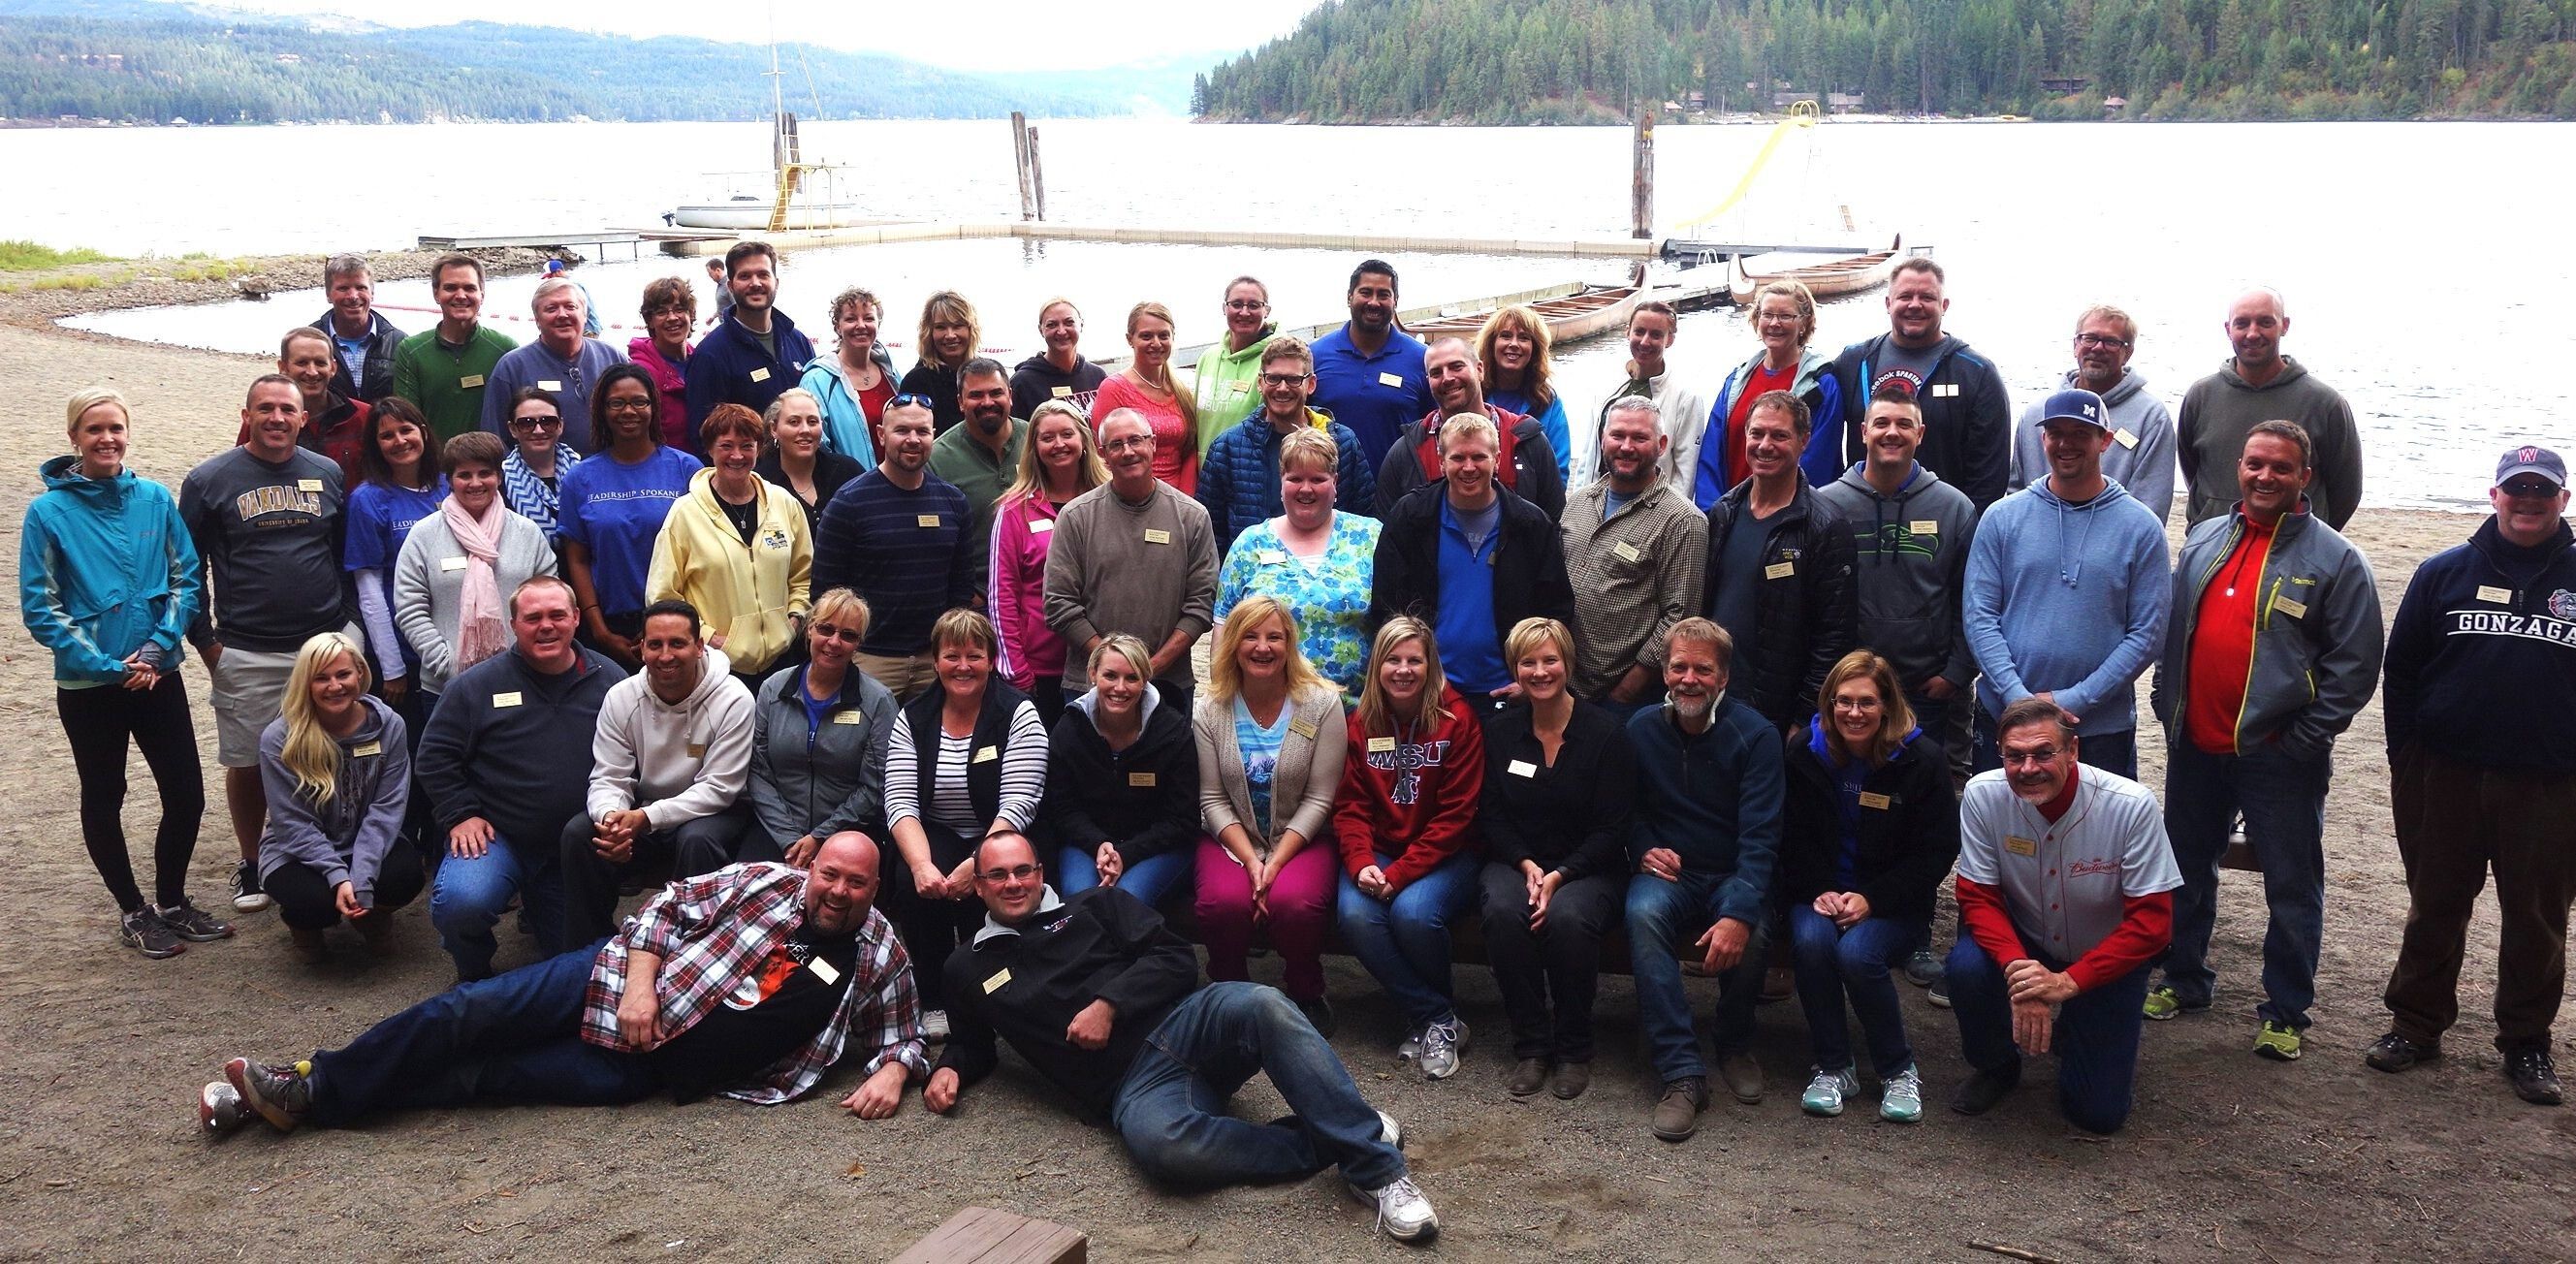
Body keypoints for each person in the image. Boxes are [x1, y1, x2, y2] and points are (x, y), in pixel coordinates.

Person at [198, 832, 930, 1134]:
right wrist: (642, 987)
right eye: (829, 874)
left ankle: (297, 1101)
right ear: (813, 869)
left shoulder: (879, 953)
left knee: (481, 1079)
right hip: (607, 982)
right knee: (466, 1015)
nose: (836, 890)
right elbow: (663, 910)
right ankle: (307, 1082)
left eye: (855, 883)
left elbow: (904, 1033)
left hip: (640, 1071)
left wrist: (896, 1072)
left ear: (874, 889)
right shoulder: (766, 882)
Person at [927, 832, 1437, 1244]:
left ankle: (1377, 1170)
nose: (1013, 883)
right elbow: (972, 1044)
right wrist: (951, 1067)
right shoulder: (965, 967)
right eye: (997, 875)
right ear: (978, 886)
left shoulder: (1096, 907)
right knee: (1166, 1150)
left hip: (1189, 1024)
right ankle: (1337, 1135)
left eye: (1024, 870)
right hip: (1133, 1087)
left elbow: (1175, 960)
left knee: (1260, 1003)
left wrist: (1110, 1004)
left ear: (1041, 873)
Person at [2147, 422, 2383, 1061]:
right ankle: (2183, 979)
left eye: (2280, 468)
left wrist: (2305, 737)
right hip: (2195, 743)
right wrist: (2165, 698)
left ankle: (2284, 1011)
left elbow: (2355, 665)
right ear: (2239, 467)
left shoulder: (2335, 560)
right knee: (2185, 868)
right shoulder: (2202, 538)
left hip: (2278, 754)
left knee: (2290, 882)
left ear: (2303, 477)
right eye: (2254, 464)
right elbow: (2177, 629)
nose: (2264, 477)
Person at [2372, 445, 2576, 1105]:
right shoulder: (2442, 572)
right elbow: (2400, 671)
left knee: (2536, 917)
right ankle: (2415, 1024)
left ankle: (2526, 1042)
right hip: (2446, 776)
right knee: (2434, 905)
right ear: (2493, 496)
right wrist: (2405, 758)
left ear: (2561, 501)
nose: (2526, 499)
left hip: (2547, 784)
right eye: (2514, 487)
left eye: (2540, 489)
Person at [22, 387, 223, 958]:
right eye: (94, 430)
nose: (107, 439)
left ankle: (172, 901)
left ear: (128, 433)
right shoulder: (48, 513)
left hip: (159, 675)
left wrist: (158, 650)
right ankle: (133, 912)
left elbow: (187, 578)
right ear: (74, 439)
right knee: (105, 793)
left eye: (115, 428)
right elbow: (42, 607)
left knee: (186, 793)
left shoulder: (154, 499)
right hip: (91, 687)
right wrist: (110, 666)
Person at [1947, 697, 2180, 1134]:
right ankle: (1997, 1065)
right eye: (2014, 756)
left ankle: (2079, 1024)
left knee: (2096, 1114)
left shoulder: (2130, 805)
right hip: (2028, 941)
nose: (2028, 767)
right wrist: (2022, 974)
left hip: (2105, 957)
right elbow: (1977, 895)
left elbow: (2152, 924)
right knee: (1965, 968)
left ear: (2073, 751)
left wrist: (2066, 983)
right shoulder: (1983, 794)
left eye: (2044, 753)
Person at [181, 374, 356, 915]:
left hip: (323, 641)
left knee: (335, 750)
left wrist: (347, 625)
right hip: (247, 647)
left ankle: (333, 849)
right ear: (248, 415)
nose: (277, 418)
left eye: (287, 410)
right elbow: (187, 569)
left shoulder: (326, 472)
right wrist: (208, 644)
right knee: (250, 759)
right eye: (266, 409)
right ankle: (253, 859)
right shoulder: (210, 479)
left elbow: (342, 552)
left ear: (304, 418)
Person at [1780, 650, 1959, 1122]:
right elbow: (1788, 834)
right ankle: (1834, 1065)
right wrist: (1817, 886)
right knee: (1811, 941)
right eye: (1842, 701)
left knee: (1858, 954)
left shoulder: (1922, 760)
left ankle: (1899, 1070)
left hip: (1891, 902)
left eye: (1866, 702)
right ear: (1828, 703)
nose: (1853, 713)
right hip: (1817, 892)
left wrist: (1873, 897)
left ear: (1887, 706)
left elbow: (1936, 851)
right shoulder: (1804, 753)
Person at [416, 576, 620, 982]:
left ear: (576, 618)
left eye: (557, 615)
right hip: (497, 837)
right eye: (533, 617)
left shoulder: (610, 680)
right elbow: (433, 755)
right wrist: (460, 814)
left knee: (580, 967)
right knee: (462, 903)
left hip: (571, 848)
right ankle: (473, 966)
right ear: (514, 624)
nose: (546, 626)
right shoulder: (476, 686)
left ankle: (543, 910)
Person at [1625, 618, 1782, 1139]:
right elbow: (1626, 809)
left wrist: (1738, 912)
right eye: (1678, 667)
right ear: (1664, 671)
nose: (1688, 679)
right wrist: (1645, 844)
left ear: (1724, 678)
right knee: (1642, 914)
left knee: (1754, 933)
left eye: (1702, 669)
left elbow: (1762, 837)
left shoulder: (1755, 736)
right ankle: (1681, 1069)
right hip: (1671, 873)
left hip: (1733, 872)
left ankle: (1734, 1042)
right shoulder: (1641, 728)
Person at [1964, 388, 2171, 777]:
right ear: (2042, 438)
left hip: (2099, 728)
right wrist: (2017, 698)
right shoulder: (2002, 517)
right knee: (2005, 836)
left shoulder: (2142, 527)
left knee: (2098, 836)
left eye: (2080, 433)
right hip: (2005, 717)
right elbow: (1979, 616)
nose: (2066, 443)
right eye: (2055, 432)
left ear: (2105, 440)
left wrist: (2076, 698)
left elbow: (2147, 633)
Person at [1476, 617, 1635, 1099]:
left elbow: (1613, 827)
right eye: (1528, 662)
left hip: (1588, 867)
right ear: (1514, 669)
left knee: (1567, 919)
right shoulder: (1500, 732)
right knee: (1504, 911)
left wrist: (1561, 875)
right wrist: (1527, 865)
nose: (1540, 671)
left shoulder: (1606, 734)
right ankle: (1531, 1046)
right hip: (1517, 862)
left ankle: (1572, 1049)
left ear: (1568, 664)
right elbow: (1492, 815)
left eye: (1550, 660)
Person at [881, 609, 1047, 1036]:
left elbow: (1019, 802)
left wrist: (976, 864)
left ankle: (989, 994)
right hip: (937, 830)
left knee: (992, 880)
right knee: (909, 881)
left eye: (974, 655)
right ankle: (933, 997)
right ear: (935, 662)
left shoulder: (1019, 712)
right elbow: (900, 801)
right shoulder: (913, 716)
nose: (963, 666)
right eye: (952, 655)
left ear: (991, 660)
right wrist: (922, 867)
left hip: (1000, 830)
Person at [1334, 617, 1485, 1081]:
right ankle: (1437, 1017)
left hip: (1447, 852)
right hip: (1378, 849)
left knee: (1414, 914)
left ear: (1430, 664)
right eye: (1393, 660)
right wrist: (1361, 864)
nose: (1403, 670)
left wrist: (1400, 874)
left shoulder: (1457, 720)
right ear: (1377, 665)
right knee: (1356, 914)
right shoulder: (1361, 722)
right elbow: (1350, 807)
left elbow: (1456, 817)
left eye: (1414, 660)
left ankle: (1430, 1020)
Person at [558, 599, 756, 943]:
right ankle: (589, 950)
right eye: (655, 644)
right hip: (645, 810)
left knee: (697, 839)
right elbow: (609, 775)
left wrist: (646, 817)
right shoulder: (621, 696)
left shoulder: (734, 699)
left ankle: (694, 948)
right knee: (580, 834)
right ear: (642, 648)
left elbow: (720, 788)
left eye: (677, 643)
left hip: (713, 812)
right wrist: (612, 820)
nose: (665, 656)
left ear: (698, 647)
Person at [1194, 596, 1349, 1031]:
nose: (1263, 647)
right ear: (1233, 645)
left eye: (1274, 637)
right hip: (1233, 836)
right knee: (1221, 905)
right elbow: (1211, 798)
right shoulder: (1211, 708)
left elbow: (1321, 798)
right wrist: (1250, 861)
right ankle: (1229, 995)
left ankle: (1305, 989)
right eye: (1251, 636)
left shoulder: (1320, 704)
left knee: (1295, 905)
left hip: (1300, 836)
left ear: (1289, 644)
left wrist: (1275, 863)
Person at [1814, 382, 1981, 770]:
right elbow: (1813, 601)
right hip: (1849, 687)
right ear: (1863, 431)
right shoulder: (1826, 504)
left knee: (1919, 788)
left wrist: (1955, 672)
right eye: (1882, 423)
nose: (1892, 432)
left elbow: (1970, 599)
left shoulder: (1954, 507)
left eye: (1904, 424)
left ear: (1920, 434)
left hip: (1927, 686)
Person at [1369, 415, 1575, 710]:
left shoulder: (1530, 524)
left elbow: (1556, 609)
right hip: (1429, 691)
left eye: (1479, 456)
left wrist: (1527, 681)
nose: (1469, 467)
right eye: (1458, 457)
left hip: (1505, 694)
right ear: (1441, 461)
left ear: (1497, 458)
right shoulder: (1412, 518)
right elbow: (1385, 606)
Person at [256, 631, 424, 964]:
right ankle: (305, 926)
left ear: (360, 674)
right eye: (321, 678)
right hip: (297, 850)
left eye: (343, 674)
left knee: (407, 875)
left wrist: (361, 875)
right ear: (306, 683)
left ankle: (373, 916)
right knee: (311, 899)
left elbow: (387, 809)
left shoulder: (390, 725)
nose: (334, 686)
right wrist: (337, 875)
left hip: (367, 837)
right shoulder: (279, 739)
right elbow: (292, 823)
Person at [1701, 391, 1858, 733]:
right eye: (1757, 433)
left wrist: (1804, 719)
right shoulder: (1723, 513)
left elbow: (1834, 636)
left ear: (1804, 441)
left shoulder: (1825, 527)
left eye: (1779, 435)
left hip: (1777, 711)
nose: (1765, 445)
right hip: (1714, 697)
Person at [1043, 409, 1219, 709]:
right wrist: (1113, 668)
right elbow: (1058, 603)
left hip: (1168, 685)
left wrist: (1150, 668)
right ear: (1103, 454)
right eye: (1116, 444)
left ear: (1152, 444)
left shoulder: (1192, 517)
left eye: (1135, 440)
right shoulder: (1075, 517)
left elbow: (1202, 604)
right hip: (1090, 685)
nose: (1127, 451)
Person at [812, 396, 977, 703]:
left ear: (933, 435)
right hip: (870, 660)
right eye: (902, 430)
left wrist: (949, 650)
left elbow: (961, 588)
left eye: (922, 431)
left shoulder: (953, 502)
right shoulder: (849, 503)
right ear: (881, 435)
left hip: (935, 660)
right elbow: (825, 592)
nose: (913, 440)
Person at [1824, 258, 2013, 511]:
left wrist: (1966, 529)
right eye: (1905, 296)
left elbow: (1990, 472)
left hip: (1940, 525)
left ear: (1944, 305)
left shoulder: (1976, 372)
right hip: (1860, 519)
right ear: (1888, 303)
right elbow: (1822, 434)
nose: (1915, 305)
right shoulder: (1854, 361)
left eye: (1927, 297)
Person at [647, 402, 812, 685]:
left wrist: (794, 619)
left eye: (747, 446)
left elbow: (803, 574)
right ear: (709, 450)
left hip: (782, 661)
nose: (737, 456)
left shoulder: (784, 503)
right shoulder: (685, 513)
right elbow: (663, 595)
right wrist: (709, 638)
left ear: (759, 449)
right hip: (715, 664)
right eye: (726, 446)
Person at [1561, 395, 1706, 713]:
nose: (1626, 447)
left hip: (1621, 697)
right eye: (1618, 435)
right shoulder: (1578, 503)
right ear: (1603, 439)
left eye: (1640, 438)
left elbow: (1679, 615)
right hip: (1563, 683)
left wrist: (1628, 690)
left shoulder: (1683, 521)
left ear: (1662, 444)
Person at [1215, 427, 1383, 698]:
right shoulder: (1250, 544)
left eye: (1318, 479)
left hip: (1359, 714)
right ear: (1281, 481)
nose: (1306, 489)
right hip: (1271, 713)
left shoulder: (1370, 537)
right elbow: (1224, 633)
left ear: (1335, 482)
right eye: (1295, 479)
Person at [2178, 288, 2364, 530]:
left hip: (2295, 552)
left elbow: (2346, 489)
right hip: (2211, 545)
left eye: (2265, 322)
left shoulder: (2325, 403)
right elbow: (2192, 469)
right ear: (2228, 329)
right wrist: (2211, 511)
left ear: (2284, 325)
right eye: (2242, 323)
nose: (2252, 333)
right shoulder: (2200, 396)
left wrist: (2312, 539)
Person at [394, 431, 557, 703]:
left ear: (499, 477)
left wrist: (529, 659)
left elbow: (549, 600)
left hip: (523, 679)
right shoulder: (424, 535)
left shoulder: (527, 532)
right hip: (446, 685)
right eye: (464, 475)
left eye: (485, 473)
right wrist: (447, 663)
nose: (475, 483)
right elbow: (409, 608)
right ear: (449, 480)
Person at [745, 587, 899, 872]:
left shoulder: (878, 701)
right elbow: (758, 772)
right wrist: (790, 839)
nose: (834, 642)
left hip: (848, 831)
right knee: (750, 889)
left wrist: (819, 837)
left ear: (858, 645)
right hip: (777, 828)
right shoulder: (773, 689)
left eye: (848, 635)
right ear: (809, 631)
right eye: (826, 629)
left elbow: (875, 787)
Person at [559, 365, 704, 670]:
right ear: (602, 410)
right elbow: (578, 559)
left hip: (677, 625)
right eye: (617, 403)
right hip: (609, 630)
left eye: (640, 401)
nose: (629, 411)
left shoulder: (686, 469)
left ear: (653, 406)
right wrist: (598, 629)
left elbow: (703, 550)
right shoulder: (579, 477)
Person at [1042, 634, 1200, 908]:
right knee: (1081, 898)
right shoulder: (1069, 730)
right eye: (1110, 676)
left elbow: (1182, 819)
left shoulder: (1173, 733)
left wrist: (1126, 853)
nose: (1120, 687)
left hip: (1157, 847)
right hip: (1087, 843)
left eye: (1132, 678)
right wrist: (1098, 844)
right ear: (1092, 675)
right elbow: (1063, 808)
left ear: (1145, 680)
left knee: (1125, 903)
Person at [1196, 335, 1376, 557]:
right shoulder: (1228, 449)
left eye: (1293, 379)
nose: (1282, 388)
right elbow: (1211, 536)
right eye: (1273, 378)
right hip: (1255, 581)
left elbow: (1363, 518)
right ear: (1260, 383)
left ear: (1311, 384)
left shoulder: (1342, 443)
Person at [991, 399, 1108, 727]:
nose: (1059, 445)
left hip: (1104, 664)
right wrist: (1015, 669)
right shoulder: (1014, 511)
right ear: (1034, 448)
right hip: (1040, 668)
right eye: (1047, 437)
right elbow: (1002, 594)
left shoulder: (1110, 500)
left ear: (1083, 440)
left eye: (1067, 434)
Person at [2011, 304, 2177, 524]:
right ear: (2075, 345)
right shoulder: (2036, 414)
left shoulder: (2151, 418)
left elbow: (2151, 504)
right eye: (2089, 338)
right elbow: (2015, 492)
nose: (2098, 348)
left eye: (2111, 342)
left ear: (2128, 352)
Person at [1373, 336, 1565, 521]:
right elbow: (1386, 528)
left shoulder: (1527, 440)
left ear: (1480, 369)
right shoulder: (1407, 450)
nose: (1447, 378)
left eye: (1457, 367)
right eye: (1436, 372)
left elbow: (1554, 521)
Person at [1696, 279, 1844, 506]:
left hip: (1786, 518)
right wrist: (1712, 511)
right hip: (1731, 513)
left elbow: (1818, 460)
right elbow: (1712, 454)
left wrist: (1780, 515)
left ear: (1803, 323)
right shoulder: (1736, 381)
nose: (1775, 323)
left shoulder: (1822, 387)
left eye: (1786, 316)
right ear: (1757, 320)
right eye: (1767, 315)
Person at [343, 397, 446, 709]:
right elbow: (369, 590)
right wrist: (392, 668)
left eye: (406, 430)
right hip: (405, 650)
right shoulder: (368, 499)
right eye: (387, 436)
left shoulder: (450, 486)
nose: (400, 441)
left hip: (452, 643)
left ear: (424, 433)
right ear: (376, 446)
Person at [684, 241, 815, 451]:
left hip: (804, 474)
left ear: (776, 282)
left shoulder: (798, 342)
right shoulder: (711, 355)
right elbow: (703, 438)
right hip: (749, 478)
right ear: (730, 286)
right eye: (745, 276)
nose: (755, 283)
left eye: (763, 274)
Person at [1308, 259, 1435, 472]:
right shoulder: (1316, 355)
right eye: (1365, 293)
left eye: (1383, 294)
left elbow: (1434, 429)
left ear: (1396, 301)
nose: (1374, 302)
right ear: (1349, 297)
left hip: (1397, 492)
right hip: (1328, 490)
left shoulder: (1421, 360)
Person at [479, 276, 627, 452]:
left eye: (570, 307)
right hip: (539, 476)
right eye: (551, 309)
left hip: (607, 471)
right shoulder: (512, 367)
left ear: (585, 314)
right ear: (537, 319)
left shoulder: (612, 358)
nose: (562, 314)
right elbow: (495, 437)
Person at [928, 357, 1029, 598]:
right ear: (960, 402)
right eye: (976, 395)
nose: (987, 402)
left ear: (1010, 396)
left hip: (1039, 589)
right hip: (978, 598)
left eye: (996, 393)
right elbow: (934, 542)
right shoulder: (937, 459)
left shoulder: (1037, 440)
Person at [390, 253, 515, 443]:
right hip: (435, 468)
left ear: (482, 294)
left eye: (469, 288)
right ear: (436, 294)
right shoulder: (411, 351)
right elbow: (407, 422)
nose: (461, 295)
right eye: (450, 288)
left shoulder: (505, 349)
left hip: (492, 468)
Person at [1577, 301, 1704, 489]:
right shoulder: (1606, 385)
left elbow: (1685, 471)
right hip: (1601, 500)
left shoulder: (1686, 397)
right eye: (1639, 331)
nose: (1645, 342)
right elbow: (1589, 454)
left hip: (1652, 507)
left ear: (1669, 340)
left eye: (1655, 335)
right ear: (1627, 332)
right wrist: (1580, 499)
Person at [1092, 302, 1201, 494]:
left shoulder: (1181, 390)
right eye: (1146, 336)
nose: (1156, 343)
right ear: (1130, 339)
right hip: (1132, 499)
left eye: (1163, 336)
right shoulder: (1113, 389)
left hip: (1179, 499)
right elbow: (1102, 458)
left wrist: (1185, 498)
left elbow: (1190, 449)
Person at [1475, 304, 1573, 481]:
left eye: (1524, 338)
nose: (1514, 344)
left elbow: (1559, 470)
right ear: (1492, 343)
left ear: (1534, 348)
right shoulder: (1475, 395)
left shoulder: (1548, 403)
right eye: (1505, 336)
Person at [266, 325, 371, 488]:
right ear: (283, 368)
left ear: (333, 368)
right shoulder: (265, 420)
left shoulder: (363, 417)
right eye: (302, 363)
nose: (312, 372)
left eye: (320, 363)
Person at [801, 285, 895, 465]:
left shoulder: (891, 373)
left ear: (878, 324)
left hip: (895, 484)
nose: (861, 325)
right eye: (851, 319)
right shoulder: (817, 381)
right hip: (849, 486)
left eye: (868, 318)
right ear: (837, 327)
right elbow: (816, 447)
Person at [754, 387, 864, 538]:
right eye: (794, 422)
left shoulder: (848, 472)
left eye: (812, 422)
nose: (805, 430)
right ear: (774, 429)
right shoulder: (759, 484)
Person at [1191, 276, 1277, 454]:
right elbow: (1195, 425)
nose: (1244, 312)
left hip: (1247, 473)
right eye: (1236, 304)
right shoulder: (1208, 358)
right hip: (1205, 475)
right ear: (1224, 308)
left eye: (1253, 305)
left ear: (1266, 310)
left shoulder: (1275, 360)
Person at [311, 253, 403, 405]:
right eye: (343, 288)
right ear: (328, 295)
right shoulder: (309, 342)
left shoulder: (398, 342)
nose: (353, 296)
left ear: (372, 293)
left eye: (361, 287)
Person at [498, 387, 581, 540]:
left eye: (547, 422)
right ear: (512, 429)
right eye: (527, 423)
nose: (538, 430)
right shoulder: (499, 482)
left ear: (560, 425)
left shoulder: (585, 473)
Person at [625, 276, 697, 451]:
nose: (672, 318)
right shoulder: (641, 374)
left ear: (691, 314)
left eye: (679, 309)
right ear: (650, 320)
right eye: (661, 312)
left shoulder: (701, 360)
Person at [1008, 298, 1107, 419]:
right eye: (1052, 325)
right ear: (1041, 330)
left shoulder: (1097, 376)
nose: (1061, 331)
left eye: (1069, 322)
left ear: (1081, 324)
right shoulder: (1022, 383)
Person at [899, 290, 980, 432]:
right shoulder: (916, 382)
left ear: (970, 329)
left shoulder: (983, 374)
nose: (950, 335)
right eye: (941, 327)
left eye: (957, 326)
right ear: (929, 332)